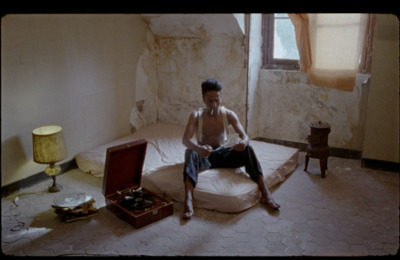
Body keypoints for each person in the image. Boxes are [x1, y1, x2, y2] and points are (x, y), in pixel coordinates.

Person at [181, 78, 280, 220]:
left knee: (248, 149)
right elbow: (185, 140)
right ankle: (189, 200)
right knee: (190, 152)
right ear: (203, 99)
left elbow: (245, 136)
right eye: (210, 101)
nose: (215, 104)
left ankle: (265, 193)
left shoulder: (228, 114)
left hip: (224, 154)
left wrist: (243, 143)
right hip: (205, 156)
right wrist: (199, 148)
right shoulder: (196, 115)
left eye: (217, 100)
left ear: (221, 98)